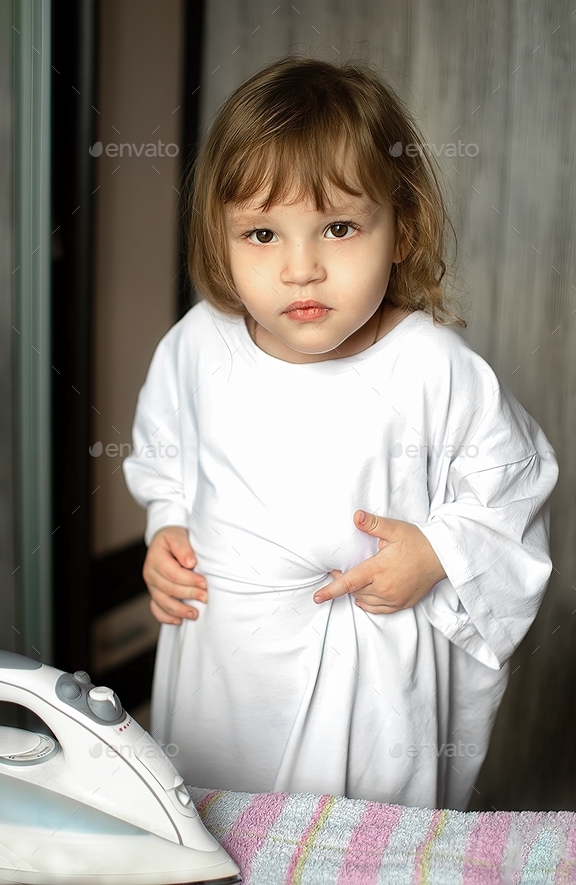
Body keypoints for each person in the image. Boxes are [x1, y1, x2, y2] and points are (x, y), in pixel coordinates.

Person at [123, 56, 558, 811]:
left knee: (352, 835)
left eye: (338, 227)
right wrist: (166, 529)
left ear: (402, 228)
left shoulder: (432, 366)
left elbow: (516, 485)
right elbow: (165, 450)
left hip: (369, 683)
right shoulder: (200, 345)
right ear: (218, 238)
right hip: (227, 662)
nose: (302, 269)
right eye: (262, 232)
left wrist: (436, 552)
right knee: (220, 822)